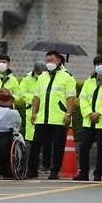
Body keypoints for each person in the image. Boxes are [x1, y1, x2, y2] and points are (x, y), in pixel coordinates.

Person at [27, 51, 76, 180]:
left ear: (59, 60)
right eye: (47, 60)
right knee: (36, 143)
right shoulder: (43, 76)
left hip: (58, 118)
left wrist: (68, 114)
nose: (49, 62)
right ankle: (32, 170)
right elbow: (37, 97)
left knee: (58, 146)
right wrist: (34, 112)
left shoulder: (67, 77)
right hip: (42, 117)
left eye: (52, 60)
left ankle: (54, 171)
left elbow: (71, 98)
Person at [75, 55, 102, 181]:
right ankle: (83, 173)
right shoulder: (89, 82)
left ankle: (98, 173)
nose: (99, 67)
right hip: (89, 121)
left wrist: (99, 113)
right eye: (97, 64)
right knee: (84, 147)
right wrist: (89, 113)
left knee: (101, 148)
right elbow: (83, 99)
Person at [19, 62, 49, 171]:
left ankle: (45, 165)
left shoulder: (47, 77)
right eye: (38, 73)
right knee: (32, 141)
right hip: (31, 112)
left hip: (45, 112)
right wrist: (35, 99)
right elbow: (22, 93)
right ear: (35, 71)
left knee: (46, 140)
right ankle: (32, 166)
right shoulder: (27, 79)